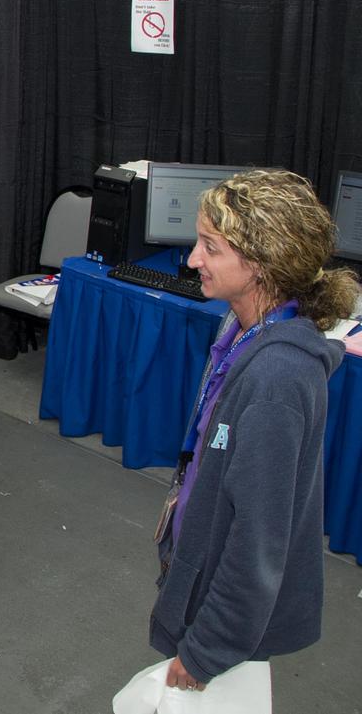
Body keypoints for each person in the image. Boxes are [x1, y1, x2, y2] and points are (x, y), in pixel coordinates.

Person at [150, 169, 356, 695]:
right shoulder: (239, 326)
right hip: (201, 555)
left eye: (210, 248)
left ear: (263, 264)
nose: (193, 259)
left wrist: (205, 652)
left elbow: (259, 546)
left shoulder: (275, 380)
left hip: (221, 614)